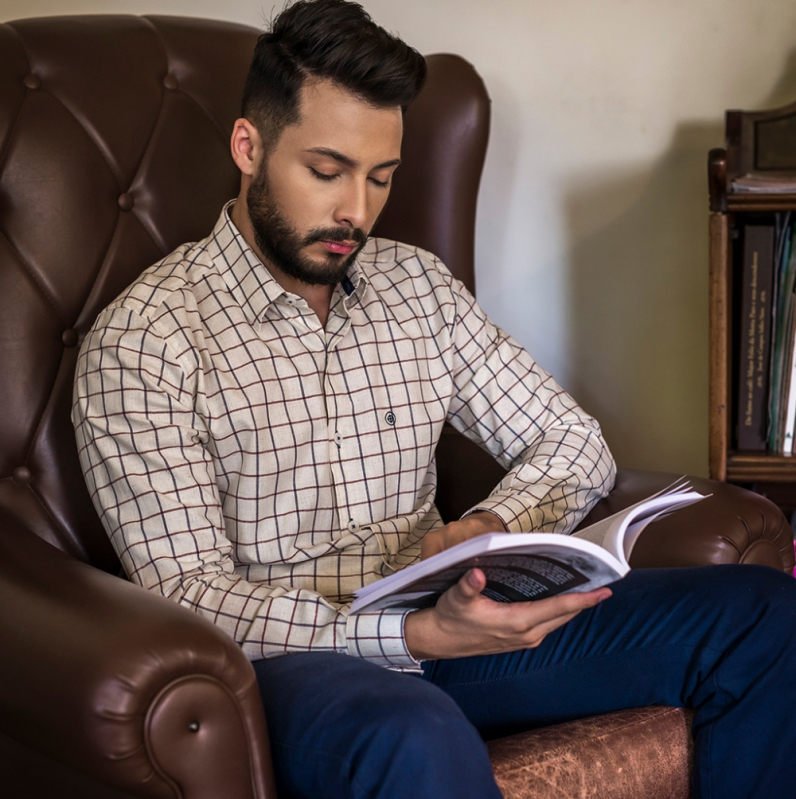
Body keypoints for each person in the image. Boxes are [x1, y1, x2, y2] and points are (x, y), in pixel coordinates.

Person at [72, 1, 796, 797]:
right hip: (297, 668)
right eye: (327, 170)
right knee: (413, 732)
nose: (357, 209)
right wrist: (409, 632)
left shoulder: (414, 287)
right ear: (249, 147)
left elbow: (573, 442)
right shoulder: (146, 340)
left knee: (762, 614)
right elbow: (190, 595)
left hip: (460, 626)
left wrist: (491, 530)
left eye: (382, 176)